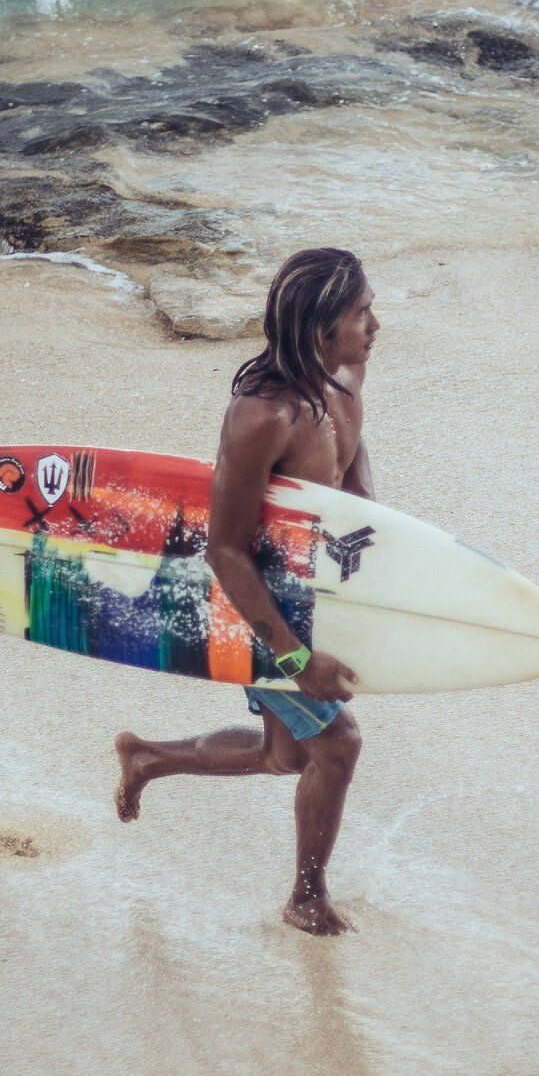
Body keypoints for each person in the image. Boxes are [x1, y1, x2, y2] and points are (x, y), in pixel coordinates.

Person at [114, 246, 378, 935]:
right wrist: (295, 657)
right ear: (322, 328)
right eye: (362, 313)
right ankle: (306, 896)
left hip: (316, 586)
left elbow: (352, 452)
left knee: (285, 754)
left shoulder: (349, 373)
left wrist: (368, 516)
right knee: (338, 745)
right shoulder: (261, 417)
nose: (376, 325)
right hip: (259, 600)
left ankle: (148, 757)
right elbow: (223, 549)